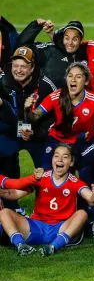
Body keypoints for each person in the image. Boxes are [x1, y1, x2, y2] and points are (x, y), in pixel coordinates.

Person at [0, 144, 94, 256]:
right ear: (52, 159)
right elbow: (13, 194)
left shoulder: (75, 182)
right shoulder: (42, 178)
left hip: (60, 227)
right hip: (36, 226)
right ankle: (21, 246)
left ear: (71, 162)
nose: (60, 160)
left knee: (82, 214)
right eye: (56, 156)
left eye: (65, 157)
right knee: (4, 213)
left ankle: (54, 246)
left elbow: (91, 198)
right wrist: (1, 192)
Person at [25, 62, 94, 169]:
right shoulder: (55, 97)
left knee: (89, 178)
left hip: (85, 143)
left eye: (78, 77)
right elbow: (34, 117)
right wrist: (27, 109)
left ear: (86, 81)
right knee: (47, 174)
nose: (73, 79)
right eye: (70, 76)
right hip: (57, 141)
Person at [0, 47, 52, 212]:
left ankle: (47, 206)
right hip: (11, 132)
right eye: (16, 66)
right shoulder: (3, 82)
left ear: (32, 67)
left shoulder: (45, 86)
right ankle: (10, 206)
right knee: (4, 158)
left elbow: (52, 119)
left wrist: (35, 132)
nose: (19, 70)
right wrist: (18, 129)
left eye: (23, 66)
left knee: (45, 170)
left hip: (37, 135)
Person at [16, 20, 87, 88]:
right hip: (47, 98)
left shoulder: (87, 55)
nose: (70, 43)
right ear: (63, 38)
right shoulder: (51, 50)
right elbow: (23, 49)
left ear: (81, 41)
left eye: (75, 40)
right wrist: (35, 26)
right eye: (67, 38)